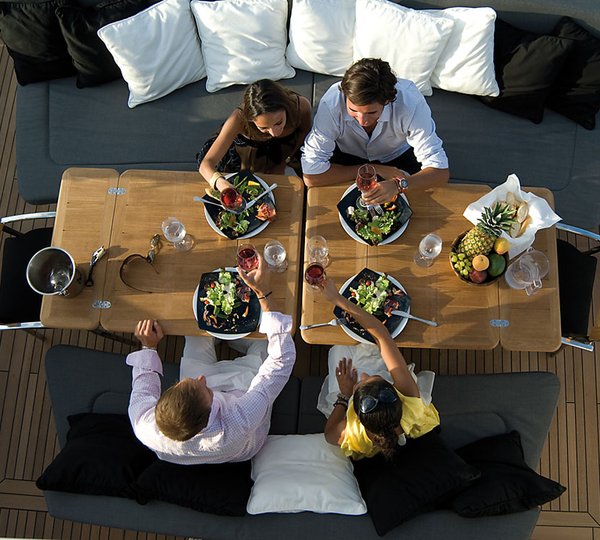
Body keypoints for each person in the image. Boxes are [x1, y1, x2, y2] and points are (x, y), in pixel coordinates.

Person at [125, 254, 296, 464]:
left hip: (204, 408)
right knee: (264, 340)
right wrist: (263, 293)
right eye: (205, 388)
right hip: (243, 393)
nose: (202, 378)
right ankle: (242, 341)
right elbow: (281, 361)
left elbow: (143, 386)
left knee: (194, 331)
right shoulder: (240, 421)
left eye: (181, 384)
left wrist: (148, 346)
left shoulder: (144, 425)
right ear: (209, 413)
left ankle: (228, 338)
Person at [316, 278, 440, 460]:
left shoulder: (354, 432)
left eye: (362, 381)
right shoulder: (411, 399)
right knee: (373, 346)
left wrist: (343, 396)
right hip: (393, 405)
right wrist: (338, 299)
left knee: (339, 349)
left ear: (356, 416)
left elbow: (329, 434)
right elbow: (382, 336)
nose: (363, 374)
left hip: (345, 395)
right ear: (397, 393)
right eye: (373, 378)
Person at [301, 58, 449, 204]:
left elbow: (440, 173)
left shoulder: (411, 104)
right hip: (347, 156)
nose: (362, 121)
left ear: (387, 101)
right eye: (353, 110)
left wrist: (398, 185)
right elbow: (311, 175)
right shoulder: (331, 104)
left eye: (371, 113)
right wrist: (373, 169)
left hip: (398, 156)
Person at [198, 79, 312, 191]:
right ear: (251, 120)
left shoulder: (300, 106)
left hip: (286, 148)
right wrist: (222, 184)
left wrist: (285, 161)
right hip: (248, 154)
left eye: (278, 122)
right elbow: (206, 165)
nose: (274, 133)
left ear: (286, 107)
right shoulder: (238, 119)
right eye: (264, 128)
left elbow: (304, 133)